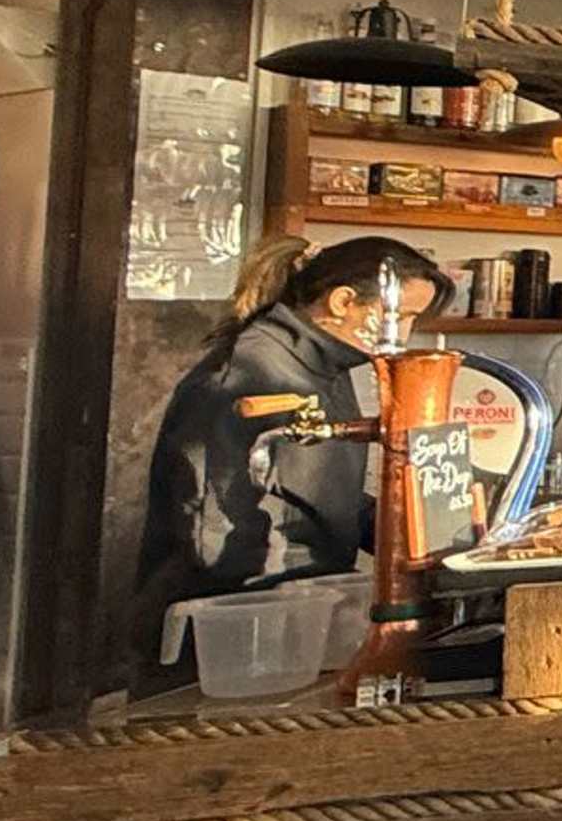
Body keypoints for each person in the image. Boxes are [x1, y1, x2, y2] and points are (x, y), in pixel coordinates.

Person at [131, 234, 445, 679]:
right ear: (342, 301)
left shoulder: (323, 370)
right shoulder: (251, 374)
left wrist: (432, 544)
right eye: (404, 315)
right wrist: (279, 623)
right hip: (225, 644)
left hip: (298, 622)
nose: (407, 332)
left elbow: (331, 498)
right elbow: (215, 532)